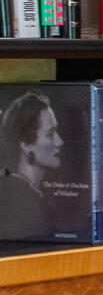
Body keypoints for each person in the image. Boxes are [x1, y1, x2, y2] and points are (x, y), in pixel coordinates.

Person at [0, 90, 61, 241]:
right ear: (26, 145)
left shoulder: (33, 197)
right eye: (50, 134)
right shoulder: (22, 203)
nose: (60, 142)